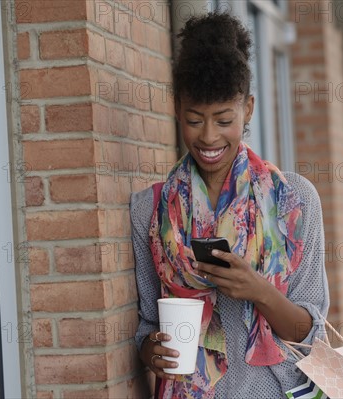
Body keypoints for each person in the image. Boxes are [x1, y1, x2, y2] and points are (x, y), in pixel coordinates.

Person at [129, 12, 329, 398]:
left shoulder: (295, 201)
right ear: (176, 109)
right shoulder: (149, 211)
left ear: (248, 109)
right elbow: (146, 326)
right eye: (194, 119)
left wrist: (259, 291)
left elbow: (309, 334)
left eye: (223, 120)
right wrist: (149, 350)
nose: (208, 137)